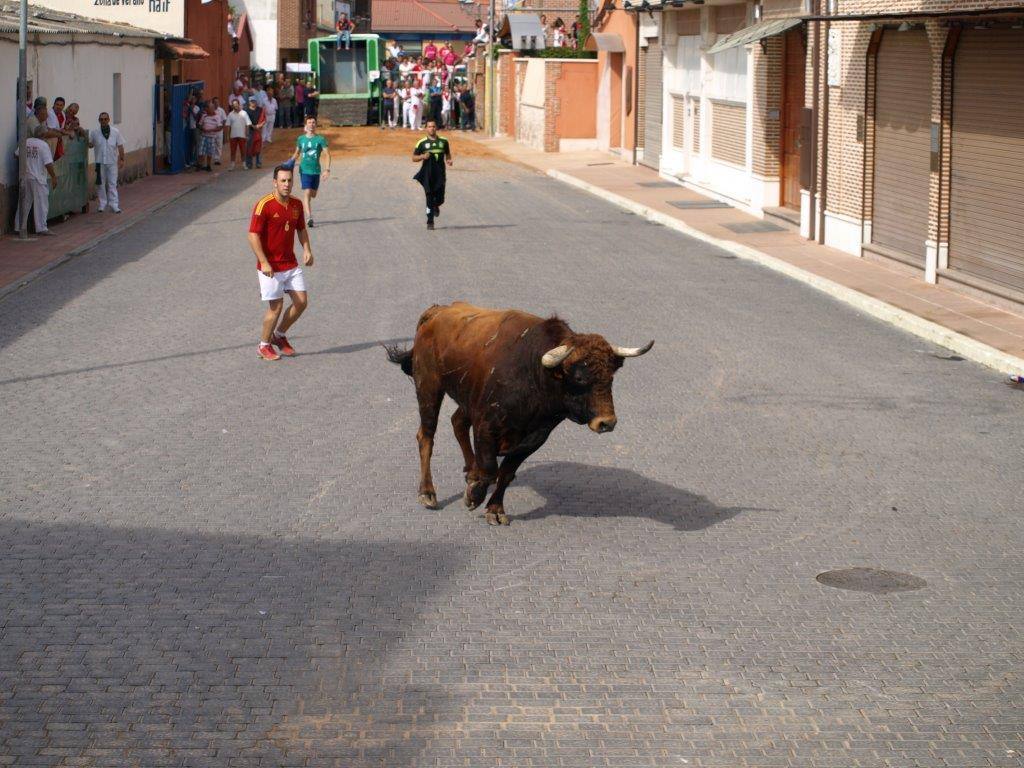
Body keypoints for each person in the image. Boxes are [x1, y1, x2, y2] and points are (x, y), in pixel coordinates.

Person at [248, 165, 314, 362]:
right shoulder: (264, 205)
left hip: (290, 264)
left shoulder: (296, 204)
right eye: (283, 181)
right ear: (274, 182)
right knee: (276, 307)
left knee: (301, 302)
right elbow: (253, 235)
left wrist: (308, 250)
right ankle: (263, 345)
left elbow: (301, 229)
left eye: (289, 181)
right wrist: (263, 261)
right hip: (270, 267)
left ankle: (280, 335)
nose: (287, 184)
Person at [291, 116, 331, 227]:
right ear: (306, 125)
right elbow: (297, 153)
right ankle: (309, 217)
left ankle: (308, 208)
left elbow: (327, 154)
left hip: (316, 171)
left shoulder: (320, 139)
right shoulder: (301, 139)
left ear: (315, 125)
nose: (311, 124)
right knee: (307, 192)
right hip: (304, 170)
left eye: (313, 122)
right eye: (309, 122)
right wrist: (289, 163)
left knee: (313, 194)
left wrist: (327, 170)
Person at [412, 119, 452, 231]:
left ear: (436, 128)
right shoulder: (422, 143)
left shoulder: (444, 141)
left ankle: (436, 205)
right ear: (426, 128)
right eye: (429, 126)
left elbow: (448, 154)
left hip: (440, 174)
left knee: (440, 199)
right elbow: (413, 158)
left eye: (433, 126)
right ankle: (430, 222)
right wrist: (422, 157)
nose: (432, 128)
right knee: (429, 197)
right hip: (427, 175)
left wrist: (449, 160)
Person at [15, 136, 58, 235]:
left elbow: (16, 154)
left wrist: (26, 162)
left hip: (26, 176)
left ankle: (19, 227)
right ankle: (42, 228)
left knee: (24, 203)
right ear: (44, 135)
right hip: (38, 178)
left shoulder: (26, 141)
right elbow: (48, 163)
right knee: (42, 204)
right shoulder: (43, 145)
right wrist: (54, 177)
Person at [87, 111, 126, 212]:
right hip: (100, 163)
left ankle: (114, 204)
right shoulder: (95, 132)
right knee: (100, 183)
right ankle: (102, 203)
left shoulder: (115, 132)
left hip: (112, 162)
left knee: (112, 183)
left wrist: (121, 159)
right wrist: (85, 139)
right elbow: (90, 145)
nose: (103, 121)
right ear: (99, 121)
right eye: (101, 119)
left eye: (105, 119)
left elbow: (120, 146)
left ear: (108, 120)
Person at [196, 101, 223, 172]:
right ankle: (199, 164)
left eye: (212, 108)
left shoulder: (217, 117)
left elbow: (220, 127)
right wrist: (202, 128)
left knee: (209, 152)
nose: (212, 109)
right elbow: (199, 124)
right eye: (210, 107)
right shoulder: (204, 116)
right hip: (203, 136)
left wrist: (211, 130)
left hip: (212, 137)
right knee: (200, 151)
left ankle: (208, 166)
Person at [226, 99, 251, 170]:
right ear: (232, 106)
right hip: (233, 136)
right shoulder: (230, 114)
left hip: (242, 135)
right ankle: (232, 165)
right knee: (232, 151)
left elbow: (247, 124)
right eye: (233, 105)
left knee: (243, 151)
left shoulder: (244, 113)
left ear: (239, 104)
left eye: (236, 104)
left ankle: (244, 165)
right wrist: (228, 136)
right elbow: (228, 126)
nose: (235, 106)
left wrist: (247, 135)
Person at [244, 96, 265, 169]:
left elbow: (264, 119)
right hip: (250, 130)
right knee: (249, 147)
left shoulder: (260, 110)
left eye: (254, 101)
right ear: (249, 102)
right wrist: (254, 126)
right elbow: (246, 121)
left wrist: (260, 125)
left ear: (256, 102)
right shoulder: (246, 111)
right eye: (251, 101)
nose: (253, 103)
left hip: (258, 130)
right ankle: (249, 163)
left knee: (258, 147)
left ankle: (258, 163)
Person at [212, 97, 228, 164]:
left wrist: (222, 127)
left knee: (219, 144)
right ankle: (212, 158)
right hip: (212, 130)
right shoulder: (211, 110)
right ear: (213, 103)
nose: (216, 104)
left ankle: (217, 159)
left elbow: (224, 119)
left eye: (217, 102)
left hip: (219, 130)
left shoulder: (221, 110)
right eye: (215, 102)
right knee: (212, 144)